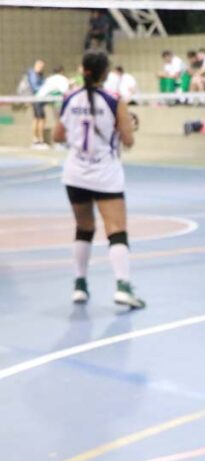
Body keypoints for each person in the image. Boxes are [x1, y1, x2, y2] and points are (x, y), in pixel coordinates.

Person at [52, 50, 145, 309]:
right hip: (105, 175)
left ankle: (79, 285)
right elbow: (128, 141)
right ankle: (123, 286)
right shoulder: (115, 100)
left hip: (75, 174)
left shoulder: (69, 97)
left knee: (84, 228)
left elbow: (58, 136)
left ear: (84, 70)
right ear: (105, 72)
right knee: (116, 230)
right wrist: (128, 127)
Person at [27, 59, 47, 149]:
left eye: (43, 67)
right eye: (41, 66)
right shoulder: (33, 74)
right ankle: (39, 140)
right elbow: (35, 87)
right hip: (37, 99)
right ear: (37, 65)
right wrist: (45, 87)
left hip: (40, 99)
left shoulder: (40, 75)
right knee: (41, 119)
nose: (42, 68)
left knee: (37, 118)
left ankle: (36, 140)